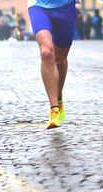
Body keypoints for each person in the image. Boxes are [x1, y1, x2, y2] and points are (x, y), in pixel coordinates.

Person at [28, 0, 77, 129]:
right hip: (38, 5)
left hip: (65, 6)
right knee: (46, 52)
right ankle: (54, 108)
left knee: (60, 59)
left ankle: (59, 97)